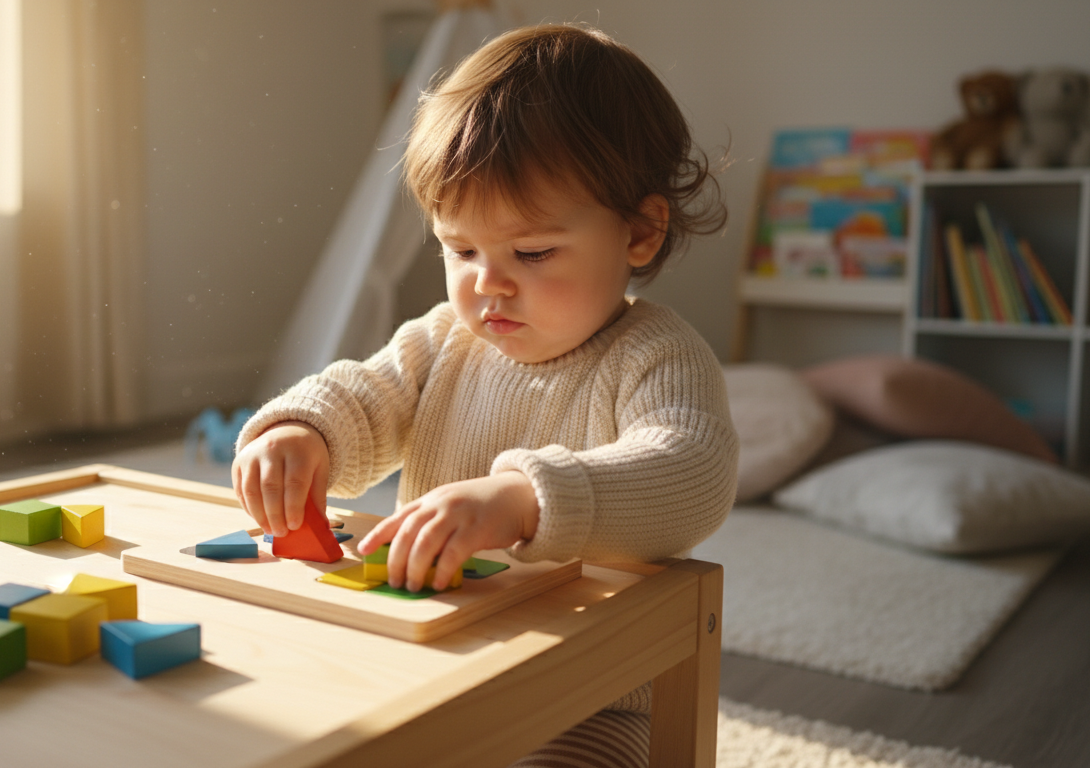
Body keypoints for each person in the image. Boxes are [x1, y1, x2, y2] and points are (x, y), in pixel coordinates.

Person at [234, 23, 737, 768]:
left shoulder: (657, 354)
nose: (487, 283)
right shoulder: (444, 338)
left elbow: (693, 473)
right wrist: (303, 432)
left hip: (588, 693)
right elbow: (366, 393)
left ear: (640, 231)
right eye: (461, 249)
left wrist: (524, 500)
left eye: (531, 252)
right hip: (431, 660)